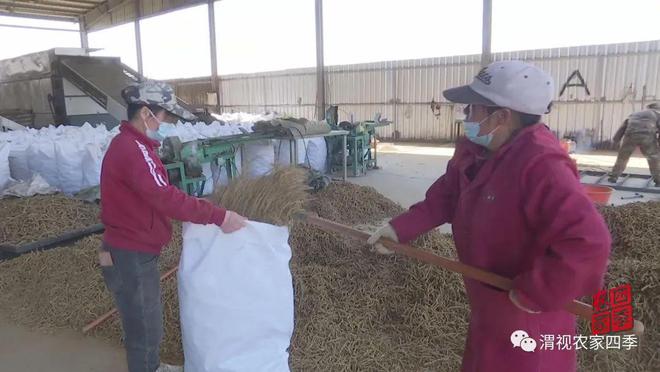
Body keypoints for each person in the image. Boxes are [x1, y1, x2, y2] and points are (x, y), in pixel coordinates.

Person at [367, 61, 611, 372]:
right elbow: (445, 196)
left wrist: (534, 293)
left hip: (527, 318)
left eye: (473, 109)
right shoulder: (477, 151)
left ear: (502, 116)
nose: (466, 116)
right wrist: (398, 230)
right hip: (488, 306)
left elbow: (589, 242)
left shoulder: (541, 166)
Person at [99, 81, 247, 372]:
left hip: (128, 246)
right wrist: (218, 216)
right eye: (164, 115)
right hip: (132, 252)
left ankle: (151, 366)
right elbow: (164, 197)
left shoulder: (133, 145)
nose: (166, 122)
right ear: (145, 113)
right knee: (145, 328)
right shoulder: (133, 150)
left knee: (142, 322)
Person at [608, 103, 660, 186]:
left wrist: (616, 140)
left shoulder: (634, 114)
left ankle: (613, 177)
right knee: (653, 158)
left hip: (630, 136)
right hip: (647, 137)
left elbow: (622, 127)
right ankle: (658, 180)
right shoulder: (657, 114)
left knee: (622, 157)